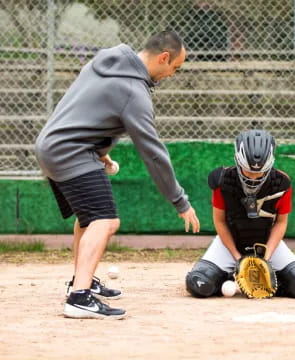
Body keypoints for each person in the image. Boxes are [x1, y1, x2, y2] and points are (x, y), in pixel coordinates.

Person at [35, 31, 200, 320]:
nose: (173, 74)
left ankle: (80, 281)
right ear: (164, 57)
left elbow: (83, 110)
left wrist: (100, 151)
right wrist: (180, 201)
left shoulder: (106, 61)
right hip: (70, 152)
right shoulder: (133, 91)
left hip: (52, 145)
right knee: (105, 220)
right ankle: (79, 298)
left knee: (88, 219)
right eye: (175, 68)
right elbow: (152, 153)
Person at [185, 129, 295, 298]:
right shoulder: (222, 181)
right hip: (230, 244)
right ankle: (230, 275)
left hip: (265, 243)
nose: (253, 177)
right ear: (238, 162)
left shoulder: (281, 183)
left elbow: (281, 223)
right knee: (199, 283)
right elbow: (220, 222)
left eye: (259, 172)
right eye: (248, 171)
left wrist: (266, 258)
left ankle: (272, 282)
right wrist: (238, 258)